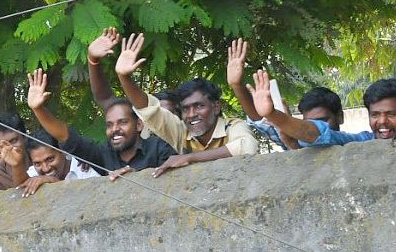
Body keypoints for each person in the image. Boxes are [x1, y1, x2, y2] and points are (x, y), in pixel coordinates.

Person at [115, 32, 258, 176]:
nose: (191, 114)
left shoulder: (232, 126)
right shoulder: (181, 132)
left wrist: (189, 157)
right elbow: (148, 109)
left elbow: (248, 146)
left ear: (216, 107)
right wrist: (124, 77)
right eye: (185, 109)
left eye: (199, 106)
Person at [23, 68, 176, 178]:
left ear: (139, 125)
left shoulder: (159, 148)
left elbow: (174, 182)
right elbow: (65, 136)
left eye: (122, 122)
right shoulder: (103, 154)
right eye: (109, 125)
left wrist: (138, 177)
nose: (115, 129)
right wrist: (38, 109)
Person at [247, 70, 396, 147]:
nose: (382, 121)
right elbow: (317, 134)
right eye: (375, 115)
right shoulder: (362, 141)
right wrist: (272, 115)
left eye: (391, 114)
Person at [19, 129, 103, 197]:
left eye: (50, 159)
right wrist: (16, 165)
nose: (45, 168)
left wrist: (54, 182)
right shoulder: (34, 174)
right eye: (37, 163)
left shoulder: (84, 169)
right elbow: (20, 189)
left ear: (63, 151)